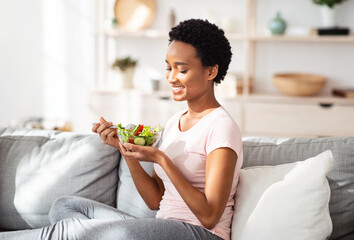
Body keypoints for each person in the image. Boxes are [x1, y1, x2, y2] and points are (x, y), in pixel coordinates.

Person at [0, 18, 243, 240]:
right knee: (65, 206)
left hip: (200, 234)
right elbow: (154, 199)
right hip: (162, 228)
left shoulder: (221, 127)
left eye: (182, 69)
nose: (170, 78)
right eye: (168, 67)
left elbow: (210, 215)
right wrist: (126, 151)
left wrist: (160, 158)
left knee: (72, 232)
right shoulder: (174, 122)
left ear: (211, 71)